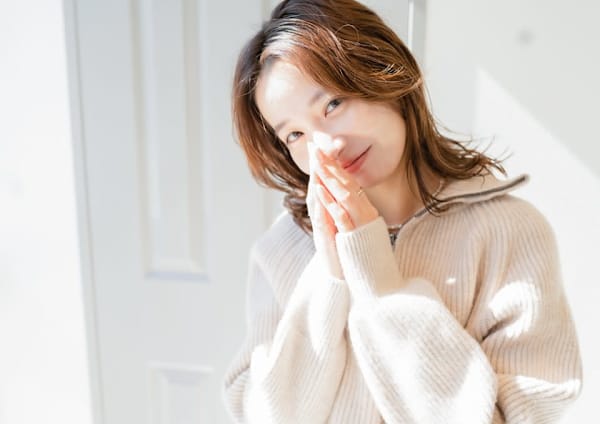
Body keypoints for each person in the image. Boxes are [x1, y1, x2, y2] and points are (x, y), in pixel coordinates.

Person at [222, 0, 582, 422]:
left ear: (383, 71)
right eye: (295, 135)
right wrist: (329, 276)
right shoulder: (282, 248)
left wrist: (378, 280)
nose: (327, 147)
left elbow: (520, 415)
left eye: (333, 104)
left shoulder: (509, 232)